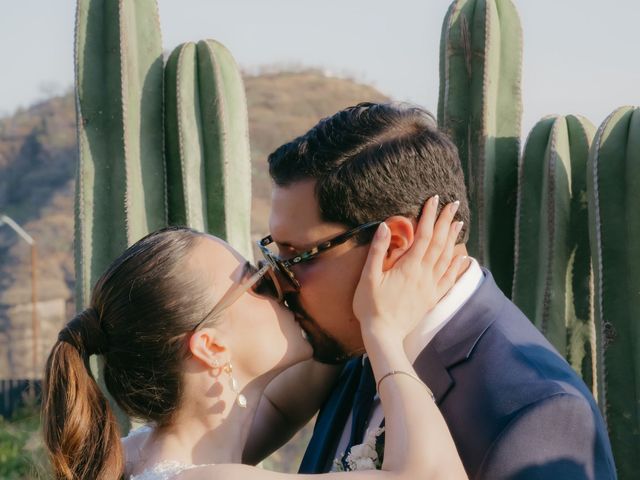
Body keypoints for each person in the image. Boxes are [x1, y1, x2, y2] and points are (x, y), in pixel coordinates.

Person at [244, 102, 617, 479]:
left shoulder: (540, 413)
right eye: (274, 252)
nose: (277, 282)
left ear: (393, 245)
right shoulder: (352, 339)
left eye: (298, 256)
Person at [41, 200, 469, 479]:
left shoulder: (130, 456)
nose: (281, 285)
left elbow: (280, 409)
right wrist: (382, 330)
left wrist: (341, 318)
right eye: (257, 283)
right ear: (210, 346)